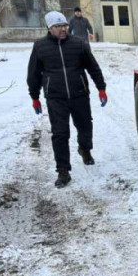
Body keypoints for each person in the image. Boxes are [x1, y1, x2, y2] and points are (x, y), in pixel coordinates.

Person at [27, 11, 108, 188]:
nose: (63, 29)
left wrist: (101, 88)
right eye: (58, 26)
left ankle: (84, 149)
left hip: (79, 93)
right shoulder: (40, 46)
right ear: (49, 28)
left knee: (85, 126)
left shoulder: (78, 43)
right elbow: (33, 74)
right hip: (56, 97)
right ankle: (63, 171)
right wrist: (35, 97)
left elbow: (93, 67)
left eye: (64, 25)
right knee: (60, 133)